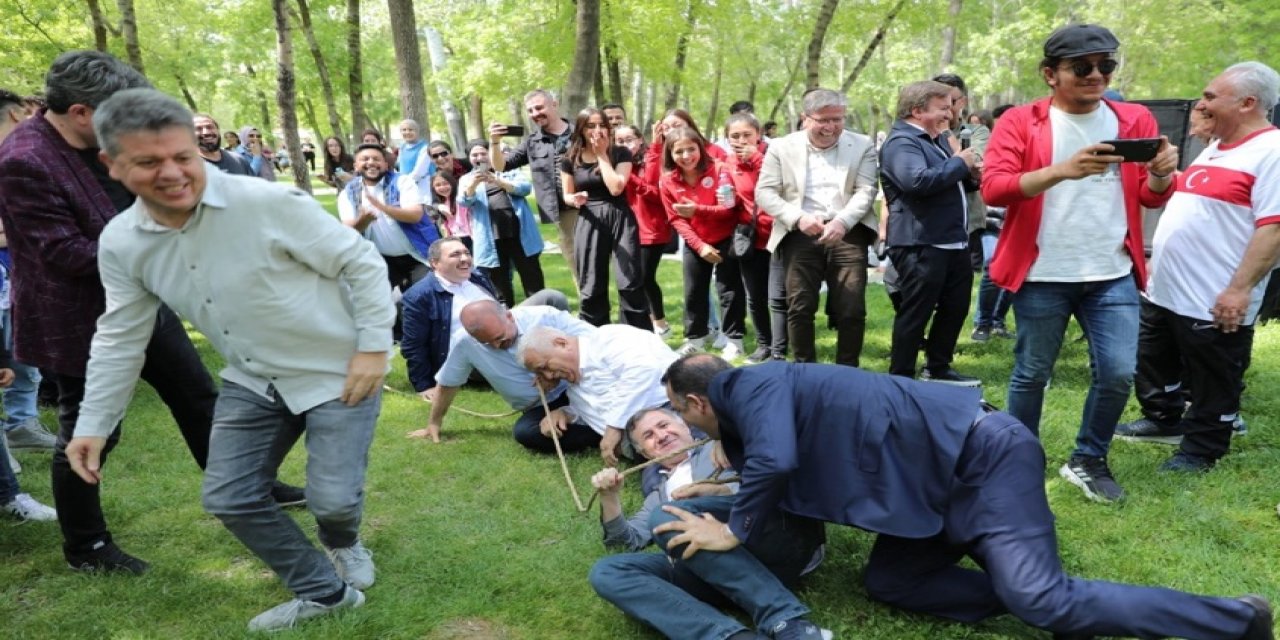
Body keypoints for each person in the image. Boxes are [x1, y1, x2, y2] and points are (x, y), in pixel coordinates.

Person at [67, 88, 393, 630]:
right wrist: (94, 424)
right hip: (252, 380)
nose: (172, 173)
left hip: (338, 370)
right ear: (112, 165)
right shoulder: (121, 243)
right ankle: (326, 594)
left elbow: (359, 260)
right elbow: (121, 335)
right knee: (229, 496)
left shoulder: (266, 202)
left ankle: (344, 541)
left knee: (332, 502)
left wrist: (374, 347)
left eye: (183, 156)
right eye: (148, 162)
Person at [661, 354, 1274, 640]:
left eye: (682, 417)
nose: (688, 431)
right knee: (892, 583)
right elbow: (780, 469)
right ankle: (1044, 600)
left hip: (983, 460)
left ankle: (1237, 618)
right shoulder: (760, 411)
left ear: (696, 401)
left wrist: (734, 529)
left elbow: (779, 460)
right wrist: (725, 478)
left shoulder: (752, 382)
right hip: (927, 493)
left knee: (1042, 599)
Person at [0, 51, 222, 574]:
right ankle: (87, 546)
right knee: (89, 431)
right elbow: (62, 253)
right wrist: (160, 245)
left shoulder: (104, 143)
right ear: (80, 112)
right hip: (77, 320)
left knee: (198, 397)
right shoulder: (23, 161)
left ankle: (241, 489)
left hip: (140, 301)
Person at [981, 24, 1179, 502]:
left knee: (1117, 372)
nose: (1097, 75)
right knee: (1032, 371)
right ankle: (1017, 458)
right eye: (1083, 67)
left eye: (1106, 65)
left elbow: (1152, 199)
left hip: (1111, 272)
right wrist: (1062, 170)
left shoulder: (1133, 119)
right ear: (1051, 74)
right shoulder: (1021, 121)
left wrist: (1159, 175)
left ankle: (1088, 459)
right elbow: (996, 187)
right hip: (1044, 272)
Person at [1112, 62, 1280, 472]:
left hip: (1213, 294)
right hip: (1167, 288)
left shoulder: (1272, 152)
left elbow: (1273, 228)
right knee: (1155, 358)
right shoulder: (1218, 146)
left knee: (1212, 374)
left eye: (1210, 97)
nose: (1201, 105)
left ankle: (1203, 447)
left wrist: (1239, 290)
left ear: (1247, 103)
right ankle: (1163, 418)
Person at [588, 407, 826, 640]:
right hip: (718, 575)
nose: (661, 436)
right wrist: (609, 497)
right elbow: (624, 543)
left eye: (664, 425)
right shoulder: (658, 496)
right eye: (648, 436)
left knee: (666, 515)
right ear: (645, 453)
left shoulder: (723, 445)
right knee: (607, 571)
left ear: (684, 425)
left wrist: (723, 486)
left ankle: (786, 619)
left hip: (776, 539)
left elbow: (778, 472)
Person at [755, 88, 879, 366]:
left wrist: (842, 221)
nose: (831, 127)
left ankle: (847, 371)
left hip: (848, 230)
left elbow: (867, 190)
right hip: (799, 231)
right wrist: (797, 217)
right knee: (799, 306)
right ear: (805, 118)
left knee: (851, 308)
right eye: (823, 120)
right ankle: (804, 370)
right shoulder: (781, 147)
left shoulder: (861, 145)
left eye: (837, 119)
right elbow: (765, 193)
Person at [879, 80, 981, 385]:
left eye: (950, 107)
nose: (949, 115)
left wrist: (971, 174)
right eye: (942, 108)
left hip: (951, 240)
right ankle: (901, 376)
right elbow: (918, 183)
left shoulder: (934, 140)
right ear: (917, 110)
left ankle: (938, 367)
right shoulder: (902, 142)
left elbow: (951, 182)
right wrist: (960, 163)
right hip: (919, 242)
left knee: (956, 307)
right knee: (917, 311)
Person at [410, 299, 593, 452]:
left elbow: (593, 342)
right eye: (487, 343)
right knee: (525, 432)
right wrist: (434, 423)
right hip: (540, 406)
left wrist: (557, 373)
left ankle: (602, 427)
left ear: (509, 316)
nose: (497, 346)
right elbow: (448, 382)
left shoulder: (544, 316)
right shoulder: (464, 342)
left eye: (500, 338)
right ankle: (594, 434)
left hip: (578, 388)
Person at [516, 324, 675, 466]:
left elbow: (644, 371)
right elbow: (596, 410)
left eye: (544, 367)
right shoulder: (575, 390)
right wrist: (565, 413)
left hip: (671, 414)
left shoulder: (606, 339)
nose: (549, 376)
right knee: (659, 488)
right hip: (642, 447)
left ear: (561, 343)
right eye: (540, 373)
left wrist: (614, 427)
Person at [560, 107, 652, 330]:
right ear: (581, 129)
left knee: (629, 282)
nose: (598, 130)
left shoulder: (621, 153)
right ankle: (594, 335)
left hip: (619, 216)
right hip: (589, 218)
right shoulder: (569, 158)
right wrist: (575, 199)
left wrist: (601, 154)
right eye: (591, 126)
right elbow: (566, 195)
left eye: (602, 125)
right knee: (591, 284)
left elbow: (616, 188)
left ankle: (637, 337)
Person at [659, 128, 747, 360]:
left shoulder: (720, 170)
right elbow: (675, 218)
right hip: (695, 241)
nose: (686, 155)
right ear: (670, 153)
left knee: (729, 290)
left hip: (727, 237)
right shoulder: (667, 180)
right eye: (679, 151)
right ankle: (695, 339)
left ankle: (734, 340)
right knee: (693, 291)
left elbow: (729, 209)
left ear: (700, 148)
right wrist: (699, 246)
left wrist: (698, 210)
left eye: (691, 149)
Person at [490, 90, 578, 282]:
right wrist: (495, 142)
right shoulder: (532, 142)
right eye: (530, 110)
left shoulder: (580, 133)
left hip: (594, 205)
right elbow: (500, 166)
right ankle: (590, 311)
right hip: (565, 213)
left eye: (539, 107)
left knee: (614, 261)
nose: (535, 113)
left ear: (554, 104)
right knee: (578, 267)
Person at [723, 112, 783, 364]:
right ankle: (763, 344)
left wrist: (757, 159)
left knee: (779, 296)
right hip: (750, 238)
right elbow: (732, 197)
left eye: (747, 134)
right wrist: (727, 199)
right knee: (755, 295)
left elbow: (780, 185)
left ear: (758, 135)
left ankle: (781, 347)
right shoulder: (728, 163)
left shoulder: (773, 156)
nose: (741, 140)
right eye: (735, 136)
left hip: (779, 235)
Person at [338, 143, 436, 294]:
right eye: (365, 159)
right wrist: (363, 220)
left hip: (417, 255)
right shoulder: (348, 193)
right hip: (380, 259)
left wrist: (383, 208)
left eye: (376, 159)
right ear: (356, 166)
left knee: (421, 298)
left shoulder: (402, 182)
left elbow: (415, 215)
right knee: (376, 303)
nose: (371, 162)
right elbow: (347, 229)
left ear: (385, 164)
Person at [458, 140, 545, 306]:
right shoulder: (466, 179)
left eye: (483, 153)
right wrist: (475, 183)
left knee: (532, 278)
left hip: (520, 234)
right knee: (500, 283)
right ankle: (508, 318)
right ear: (470, 158)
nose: (480, 157)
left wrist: (498, 181)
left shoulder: (507, 171)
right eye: (475, 155)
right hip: (491, 238)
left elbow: (525, 188)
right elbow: (463, 201)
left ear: (490, 154)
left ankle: (541, 312)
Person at [616, 123, 674, 336]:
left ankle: (660, 324)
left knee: (645, 278)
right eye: (620, 141)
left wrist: (626, 174)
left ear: (640, 139)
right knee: (631, 278)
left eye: (629, 139)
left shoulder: (652, 158)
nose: (625, 144)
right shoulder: (617, 161)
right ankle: (640, 324)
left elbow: (651, 191)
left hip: (651, 229)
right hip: (627, 228)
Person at [970, 104, 1016, 342]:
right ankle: (982, 323)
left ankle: (998, 320)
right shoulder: (982, 148)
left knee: (1013, 271)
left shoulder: (1021, 147)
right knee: (992, 264)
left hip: (1015, 220)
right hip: (988, 222)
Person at [429, 172, 471, 252]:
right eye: (438, 185)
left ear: (452, 183)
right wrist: (438, 207)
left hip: (469, 236)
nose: (442, 187)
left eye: (445, 183)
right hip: (455, 238)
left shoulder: (461, 197)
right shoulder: (440, 203)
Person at [397, 119, 435, 198]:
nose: (407, 132)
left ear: (417, 132)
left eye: (411, 130)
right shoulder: (402, 147)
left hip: (423, 185)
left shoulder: (425, 148)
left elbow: (419, 172)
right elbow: (401, 167)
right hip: (406, 186)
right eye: (404, 130)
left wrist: (405, 184)